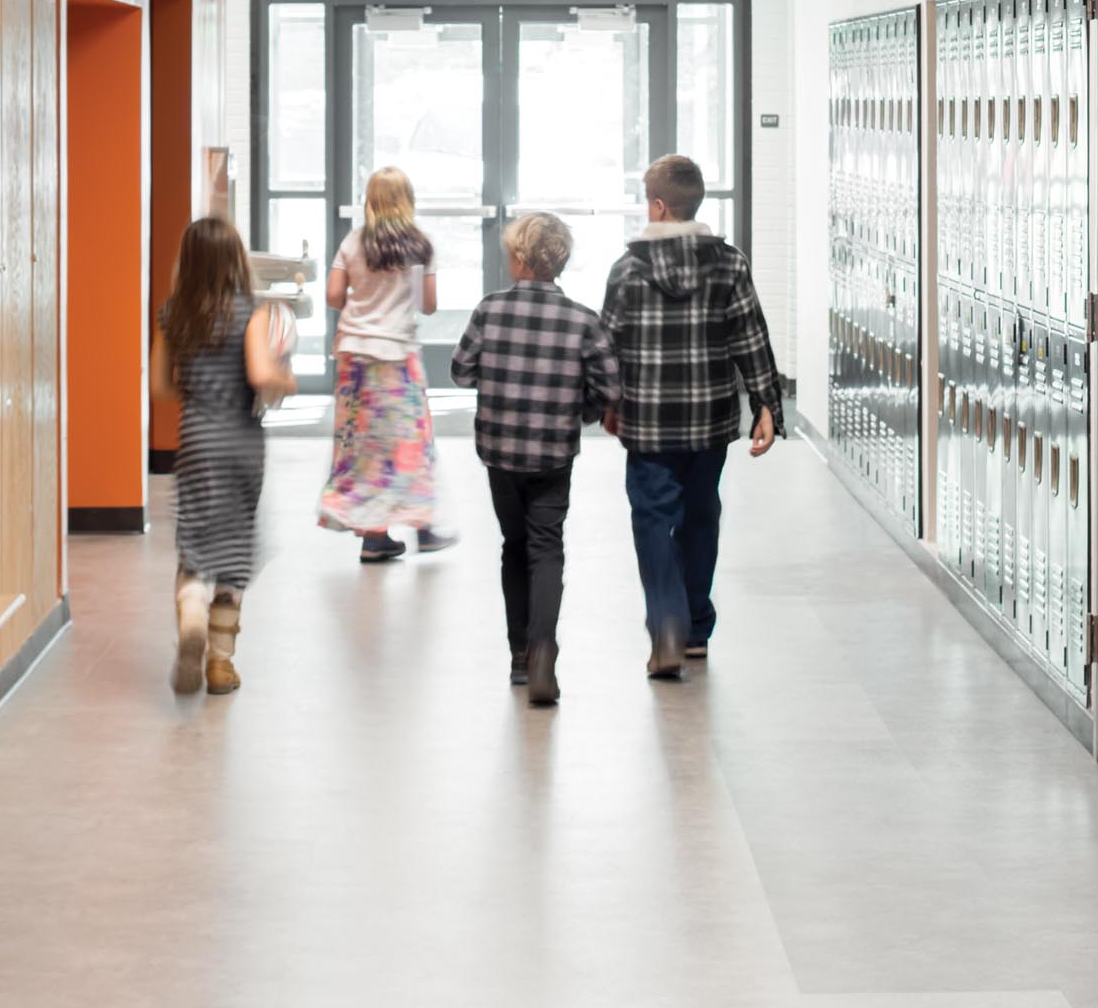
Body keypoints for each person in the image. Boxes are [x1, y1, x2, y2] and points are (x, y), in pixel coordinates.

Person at [599, 155, 784, 680]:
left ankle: (668, 626)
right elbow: (750, 334)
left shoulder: (627, 269)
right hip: (710, 422)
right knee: (701, 516)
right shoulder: (729, 263)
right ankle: (697, 628)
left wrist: (607, 403)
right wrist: (766, 403)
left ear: (657, 205)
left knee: (654, 519)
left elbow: (609, 345)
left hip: (649, 421)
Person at [450, 211, 624, 708]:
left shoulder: (489, 310)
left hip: (501, 451)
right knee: (547, 547)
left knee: (513, 545)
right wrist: (581, 411)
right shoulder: (582, 319)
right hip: (553, 452)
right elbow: (610, 387)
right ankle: (545, 649)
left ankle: (520, 656)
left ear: (521, 258)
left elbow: (461, 373)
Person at [150, 215, 296, 696]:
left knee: (195, 542)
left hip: (196, 438)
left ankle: (190, 614)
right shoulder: (250, 312)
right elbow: (259, 375)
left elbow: (160, 387)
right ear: (236, 260)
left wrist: (197, 389)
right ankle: (219, 664)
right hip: (241, 441)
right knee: (234, 549)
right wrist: (284, 378)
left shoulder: (174, 314)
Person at [315, 165, 456, 562]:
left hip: (356, 356)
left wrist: (363, 302)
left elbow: (332, 295)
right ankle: (423, 528)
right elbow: (426, 305)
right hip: (397, 356)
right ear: (407, 199)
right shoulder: (419, 245)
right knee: (410, 441)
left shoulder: (353, 241)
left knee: (364, 445)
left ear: (370, 201)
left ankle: (376, 536)